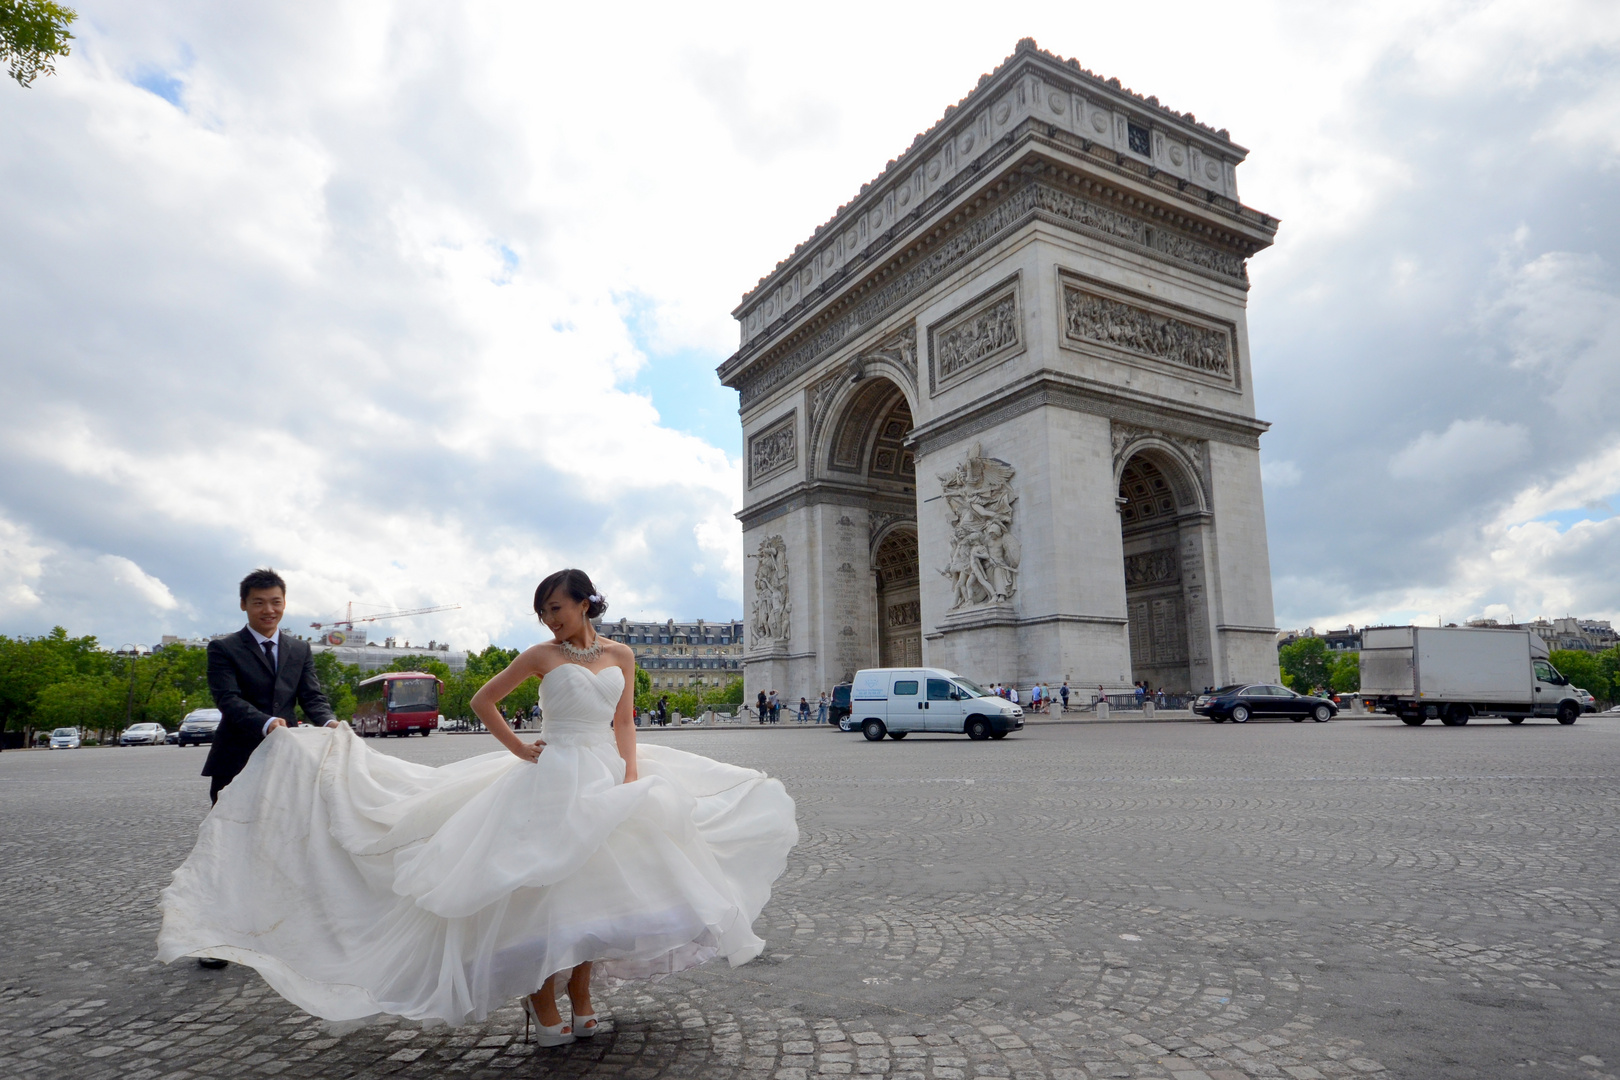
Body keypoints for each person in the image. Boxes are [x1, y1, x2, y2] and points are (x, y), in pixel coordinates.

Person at [158, 568, 798, 1039]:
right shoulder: (540, 655)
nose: (550, 618)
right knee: (545, 889)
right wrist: (522, 752)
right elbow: (482, 701)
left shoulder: (622, 653)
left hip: (606, 772)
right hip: (554, 775)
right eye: (543, 610)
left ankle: (582, 991)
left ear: (585, 602)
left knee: (605, 889)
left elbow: (625, 720)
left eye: (557, 607)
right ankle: (543, 1000)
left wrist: (631, 773)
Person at [194, 568, 339, 969]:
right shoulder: (223, 648)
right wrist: (266, 721)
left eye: (275, 601)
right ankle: (214, 939)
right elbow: (227, 699)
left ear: (285, 603)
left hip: (286, 763)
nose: (268, 610)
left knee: (284, 845)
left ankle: (275, 932)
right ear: (244, 605)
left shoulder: (298, 649)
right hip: (237, 760)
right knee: (226, 848)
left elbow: (312, 697)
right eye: (259, 602)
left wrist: (328, 722)